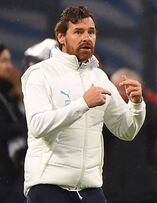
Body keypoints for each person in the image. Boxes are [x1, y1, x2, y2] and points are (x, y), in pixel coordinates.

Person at [21, 6, 145, 203]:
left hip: (90, 189)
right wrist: (83, 104)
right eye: (78, 32)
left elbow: (126, 130)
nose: (86, 37)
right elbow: (37, 126)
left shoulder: (100, 77)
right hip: (48, 186)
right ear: (61, 37)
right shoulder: (40, 74)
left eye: (91, 32)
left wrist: (137, 104)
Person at [102, 69, 157, 203]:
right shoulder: (103, 111)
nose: (120, 93)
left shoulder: (151, 109)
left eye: (124, 88)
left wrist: (138, 102)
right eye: (116, 88)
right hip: (109, 187)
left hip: (143, 187)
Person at [0, 44, 27, 203]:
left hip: (11, 178)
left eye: (9, 61)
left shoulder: (8, 98)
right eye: (4, 61)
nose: (9, 67)